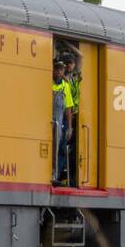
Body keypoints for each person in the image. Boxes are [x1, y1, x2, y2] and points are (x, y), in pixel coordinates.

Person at [51, 60, 74, 186]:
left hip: (59, 121)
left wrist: (70, 127)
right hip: (47, 119)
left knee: (57, 146)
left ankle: (54, 174)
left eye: (61, 69)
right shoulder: (48, 82)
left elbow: (68, 108)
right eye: (57, 69)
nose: (59, 71)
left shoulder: (66, 87)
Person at [64, 53, 81, 186]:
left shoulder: (76, 78)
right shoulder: (62, 78)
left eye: (70, 62)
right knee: (65, 147)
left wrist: (66, 44)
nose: (68, 65)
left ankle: (71, 178)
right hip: (65, 114)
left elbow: (80, 56)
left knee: (72, 149)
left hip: (74, 115)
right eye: (67, 63)